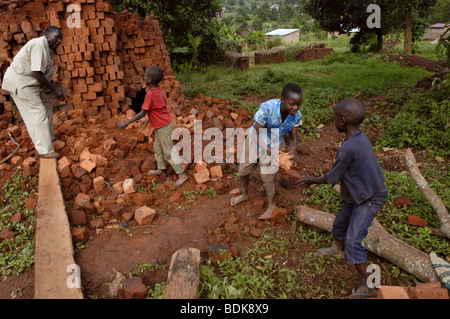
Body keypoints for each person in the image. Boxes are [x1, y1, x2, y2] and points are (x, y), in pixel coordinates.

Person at [296, 98, 388, 299]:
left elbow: (333, 177)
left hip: (370, 197)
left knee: (353, 240)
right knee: (340, 224)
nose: (334, 121)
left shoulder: (347, 148)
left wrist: (312, 180)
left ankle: (368, 285)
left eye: (335, 118)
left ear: (343, 120)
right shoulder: (360, 138)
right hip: (360, 192)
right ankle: (336, 249)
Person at [230, 83, 309, 220]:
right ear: (282, 99)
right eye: (292, 104)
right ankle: (244, 194)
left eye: (298, 104)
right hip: (256, 140)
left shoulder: (296, 115)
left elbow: (294, 136)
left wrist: (292, 151)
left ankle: (271, 206)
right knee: (243, 171)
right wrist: (268, 151)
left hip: (275, 143)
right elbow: (255, 132)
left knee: (268, 177)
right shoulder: (268, 108)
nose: (295, 108)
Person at [2, 26, 69, 159]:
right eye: (57, 37)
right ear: (47, 35)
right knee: (38, 112)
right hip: (21, 83)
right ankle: (44, 150)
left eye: (61, 38)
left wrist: (57, 86)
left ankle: (48, 138)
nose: (59, 41)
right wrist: (54, 88)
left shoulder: (49, 51)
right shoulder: (38, 45)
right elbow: (36, 72)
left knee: (47, 105)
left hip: (32, 84)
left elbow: (44, 76)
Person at [117, 66, 188, 188]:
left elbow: (142, 112)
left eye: (145, 76)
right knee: (158, 148)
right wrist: (147, 120)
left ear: (149, 80)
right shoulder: (158, 90)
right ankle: (161, 168)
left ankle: (182, 174)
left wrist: (126, 123)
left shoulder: (150, 94)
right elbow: (157, 109)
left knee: (169, 151)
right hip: (162, 124)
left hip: (164, 126)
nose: (144, 77)